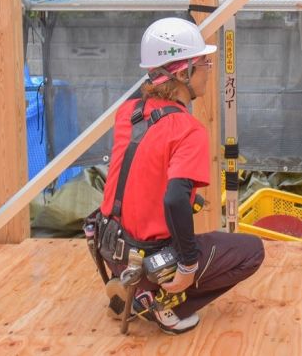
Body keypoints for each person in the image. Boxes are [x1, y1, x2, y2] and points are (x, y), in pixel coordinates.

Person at [88, 17, 264, 335]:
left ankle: (127, 287)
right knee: (252, 251)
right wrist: (187, 265)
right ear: (183, 73)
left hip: (111, 247)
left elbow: (139, 166)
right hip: (147, 261)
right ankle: (161, 303)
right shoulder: (188, 129)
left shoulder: (128, 112)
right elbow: (173, 199)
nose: (210, 69)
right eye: (204, 63)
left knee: (183, 202)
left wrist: (187, 196)